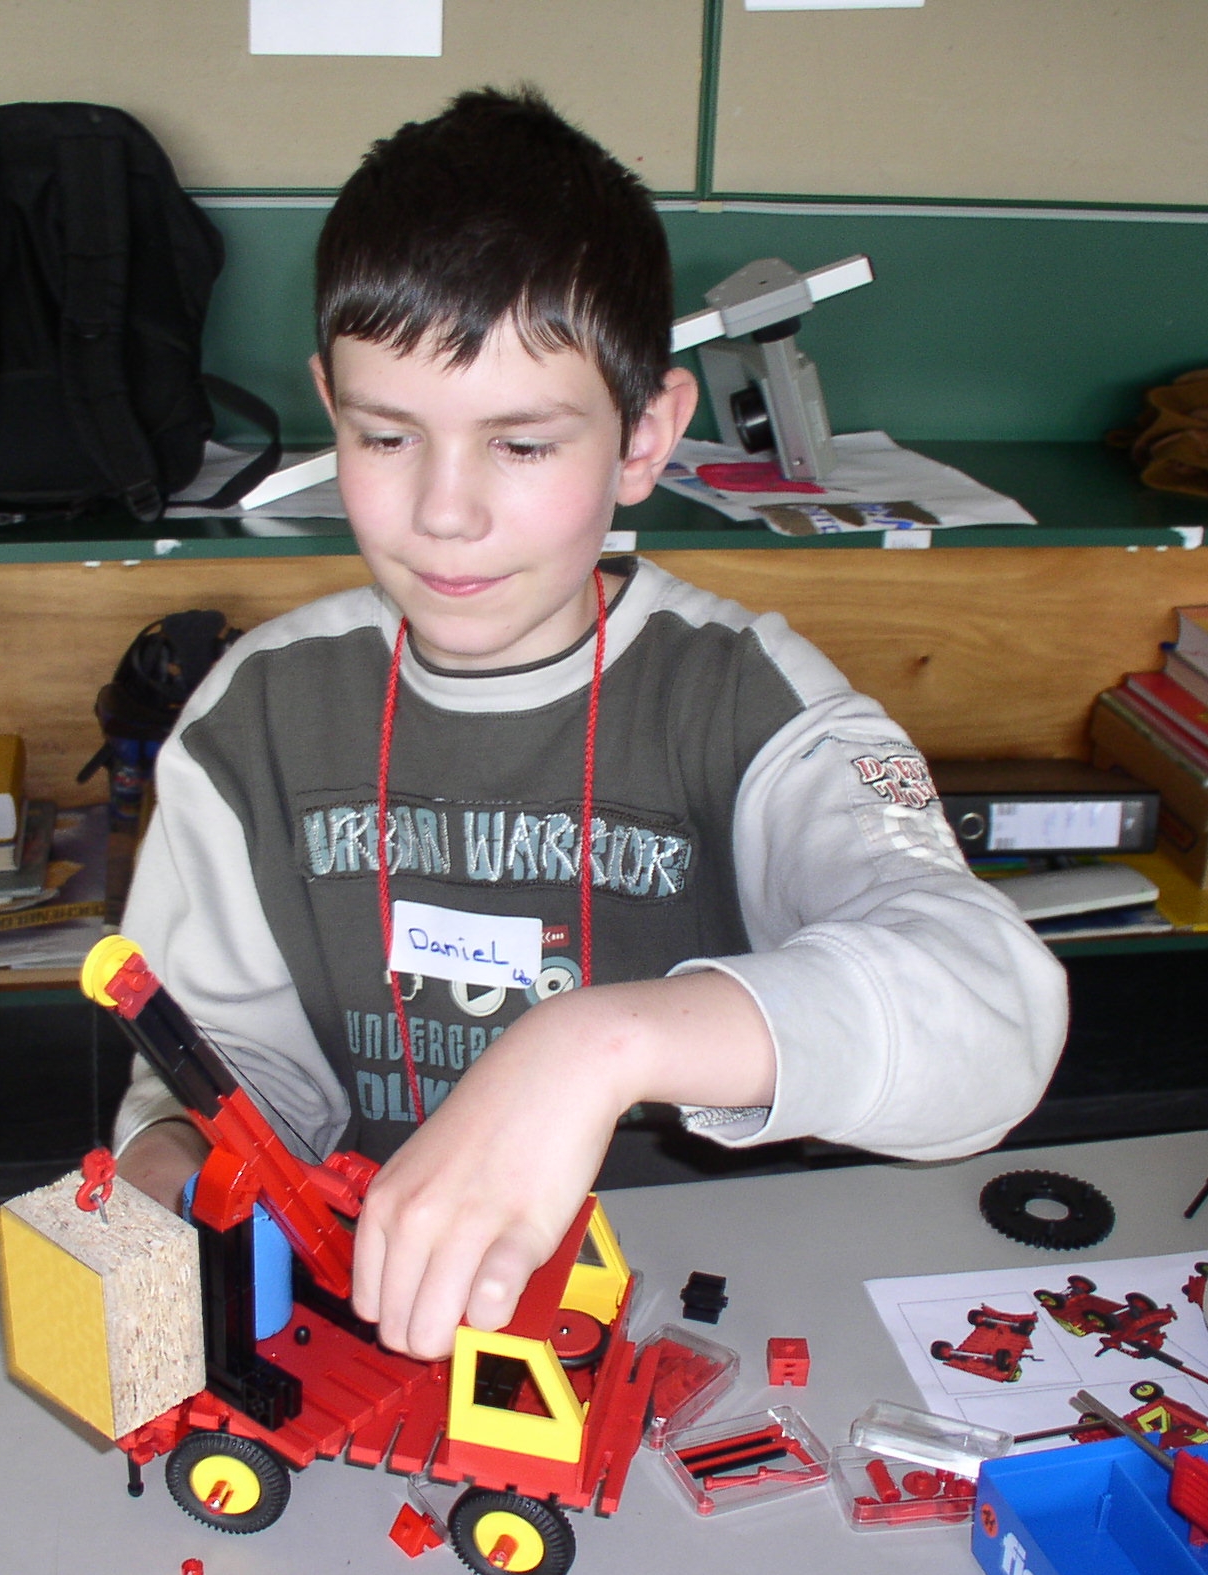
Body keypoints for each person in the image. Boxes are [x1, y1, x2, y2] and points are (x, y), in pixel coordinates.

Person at [113, 86, 1067, 1361]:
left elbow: (991, 1013)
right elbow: (229, 1063)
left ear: (643, 438)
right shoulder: (257, 714)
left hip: (687, 1315)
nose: (444, 513)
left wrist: (597, 1043)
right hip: (371, 1316)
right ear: (329, 404)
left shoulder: (746, 699)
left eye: (520, 446)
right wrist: (175, 1163)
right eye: (385, 436)